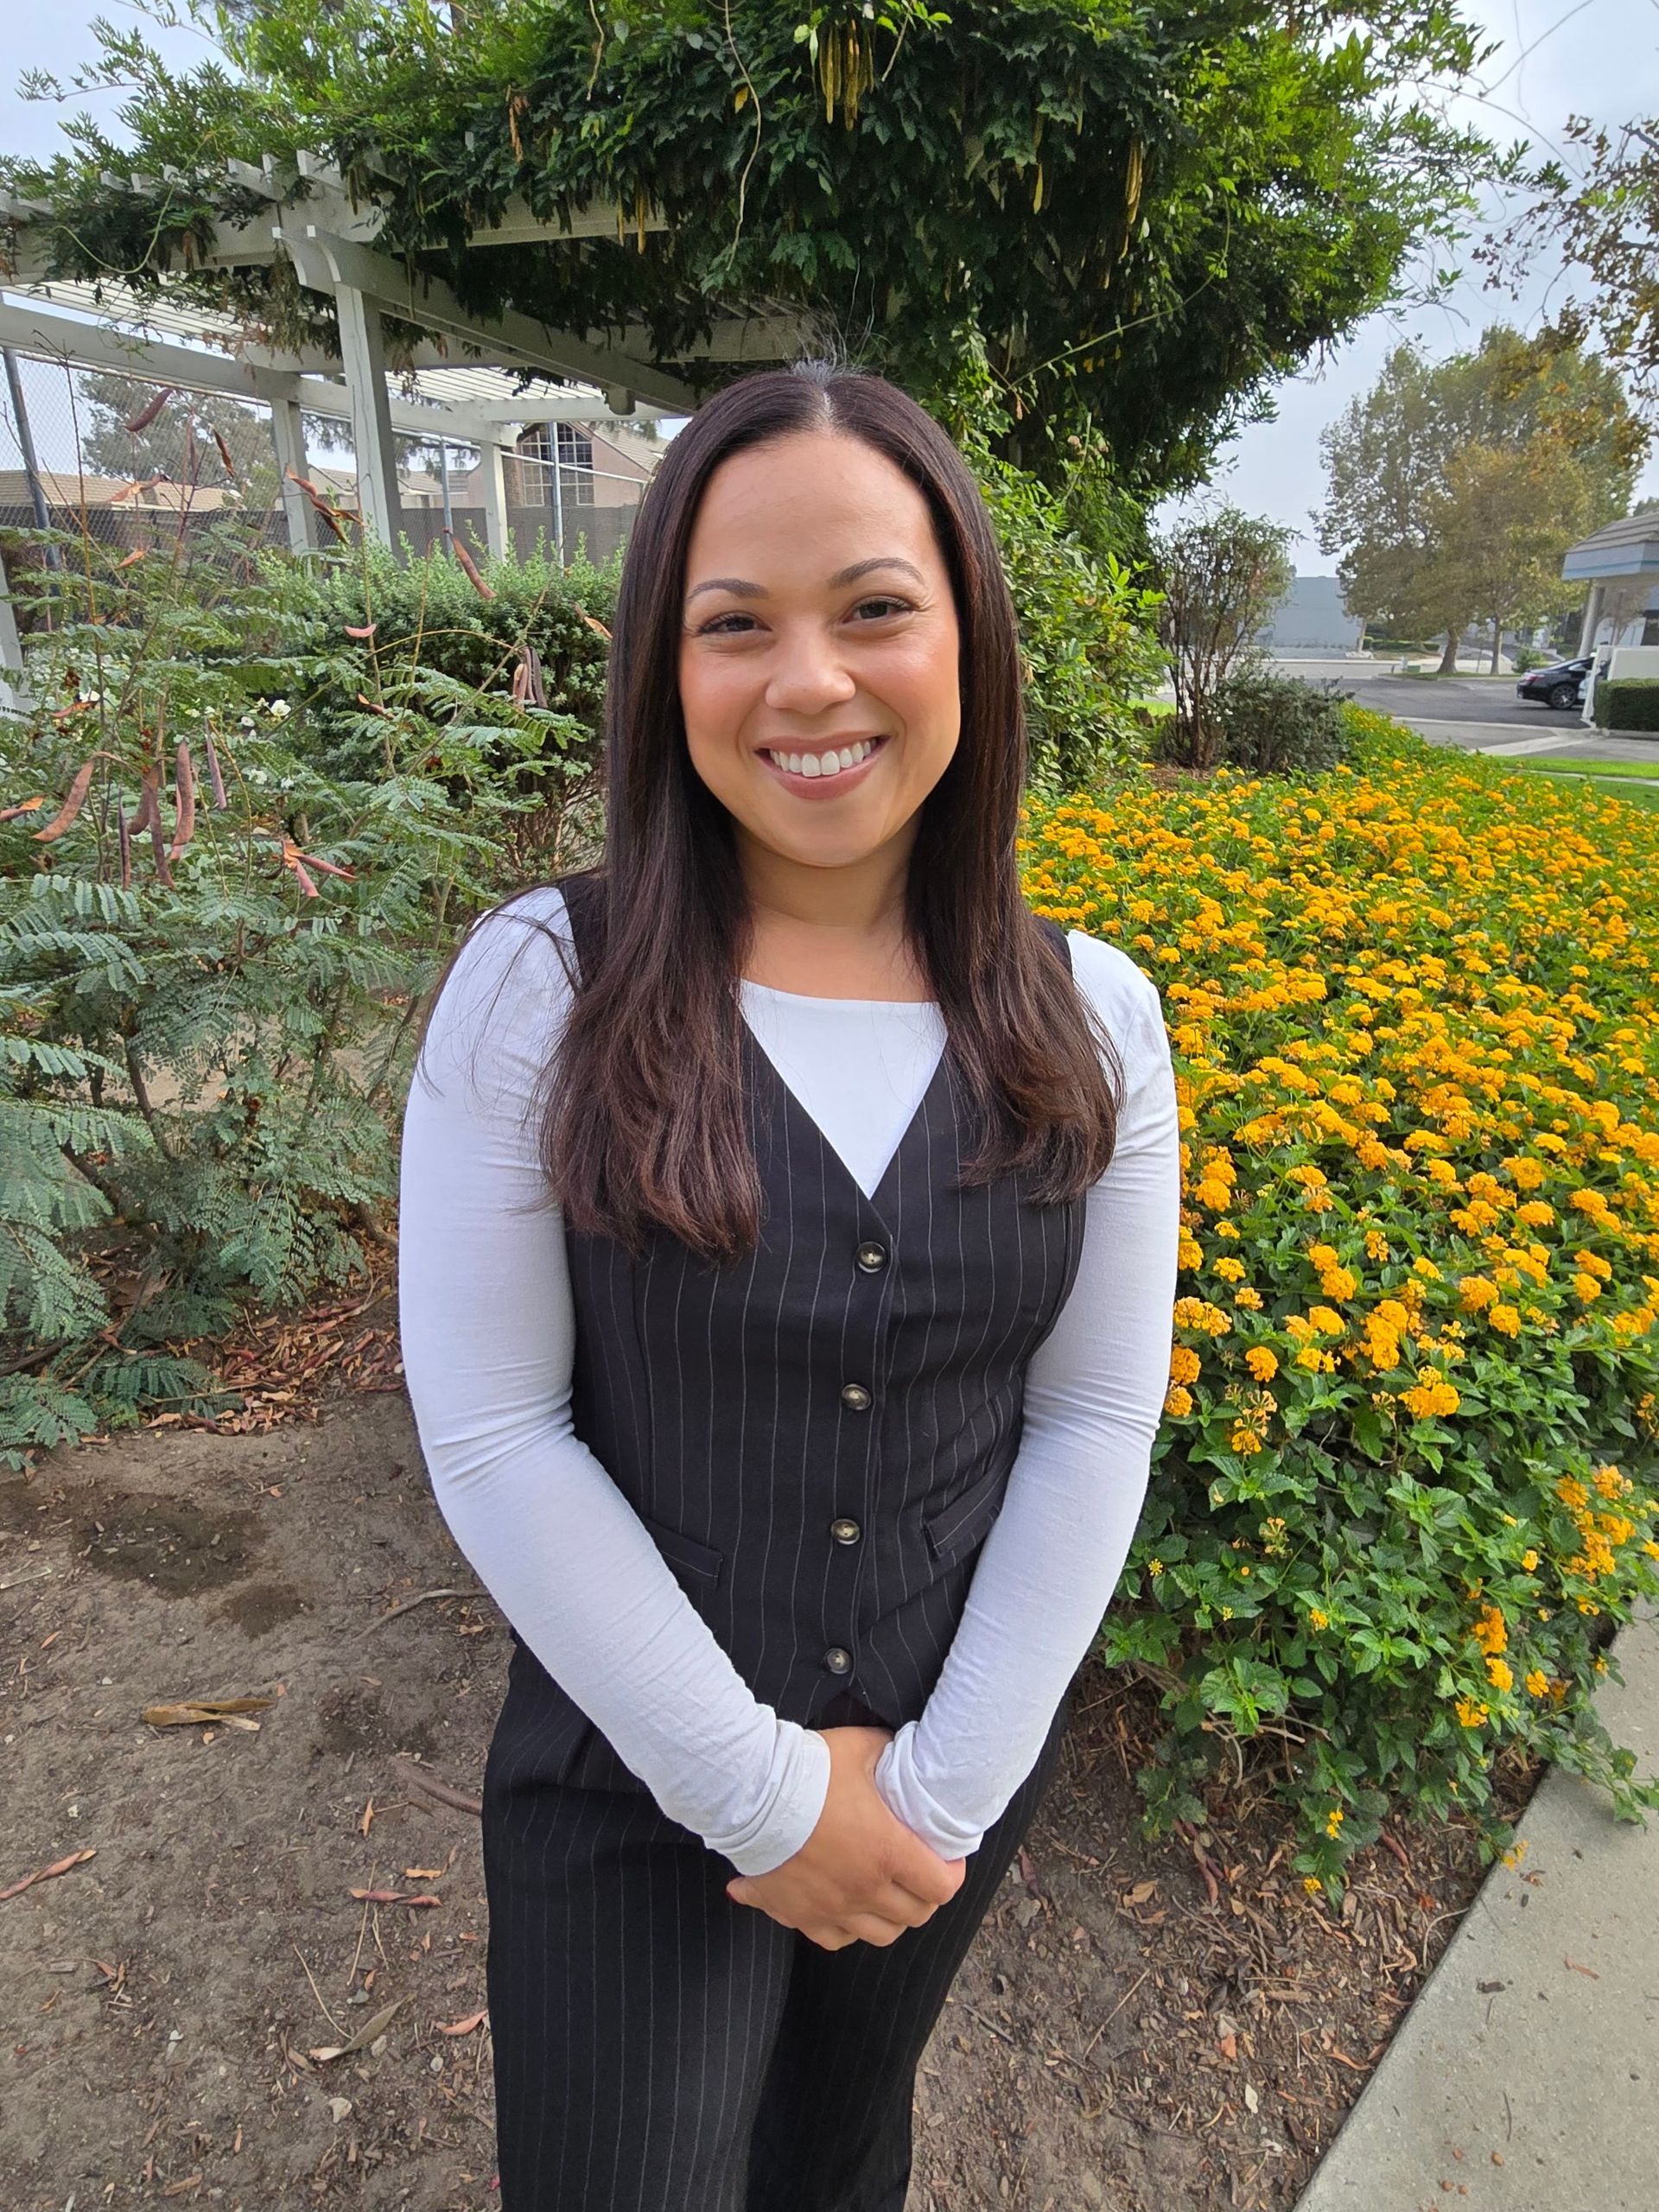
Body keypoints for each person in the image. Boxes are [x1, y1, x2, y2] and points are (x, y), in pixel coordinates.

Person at [397, 358, 1182, 2211]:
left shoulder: (1097, 1019)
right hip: (631, 1772)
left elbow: (1090, 1412)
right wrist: (770, 1801)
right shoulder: (544, 984)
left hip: (945, 1772)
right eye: (734, 621)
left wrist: (925, 1802)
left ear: (970, 642)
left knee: (838, 2164)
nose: (809, 681)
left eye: (876, 609)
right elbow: (497, 1427)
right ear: (667, 672)